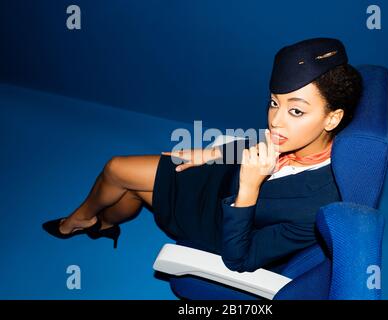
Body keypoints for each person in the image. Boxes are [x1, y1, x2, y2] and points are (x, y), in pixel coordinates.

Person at [43, 37, 362, 273]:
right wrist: (210, 153)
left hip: (220, 222)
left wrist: (249, 187)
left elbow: (240, 258)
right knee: (118, 172)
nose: (275, 120)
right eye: (274, 103)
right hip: (221, 178)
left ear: (332, 118)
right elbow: (257, 145)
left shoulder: (317, 206)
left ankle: (84, 220)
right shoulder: (296, 138)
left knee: (125, 179)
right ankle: (100, 222)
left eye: (295, 110)